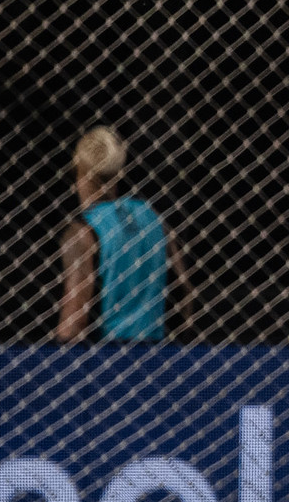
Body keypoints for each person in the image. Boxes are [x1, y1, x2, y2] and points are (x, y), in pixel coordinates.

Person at [57, 125, 192, 343]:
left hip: (106, 356)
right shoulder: (152, 218)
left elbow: (74, 320)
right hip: (155, 353)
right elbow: (185, 291)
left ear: (78, 169)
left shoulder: (84, 231)